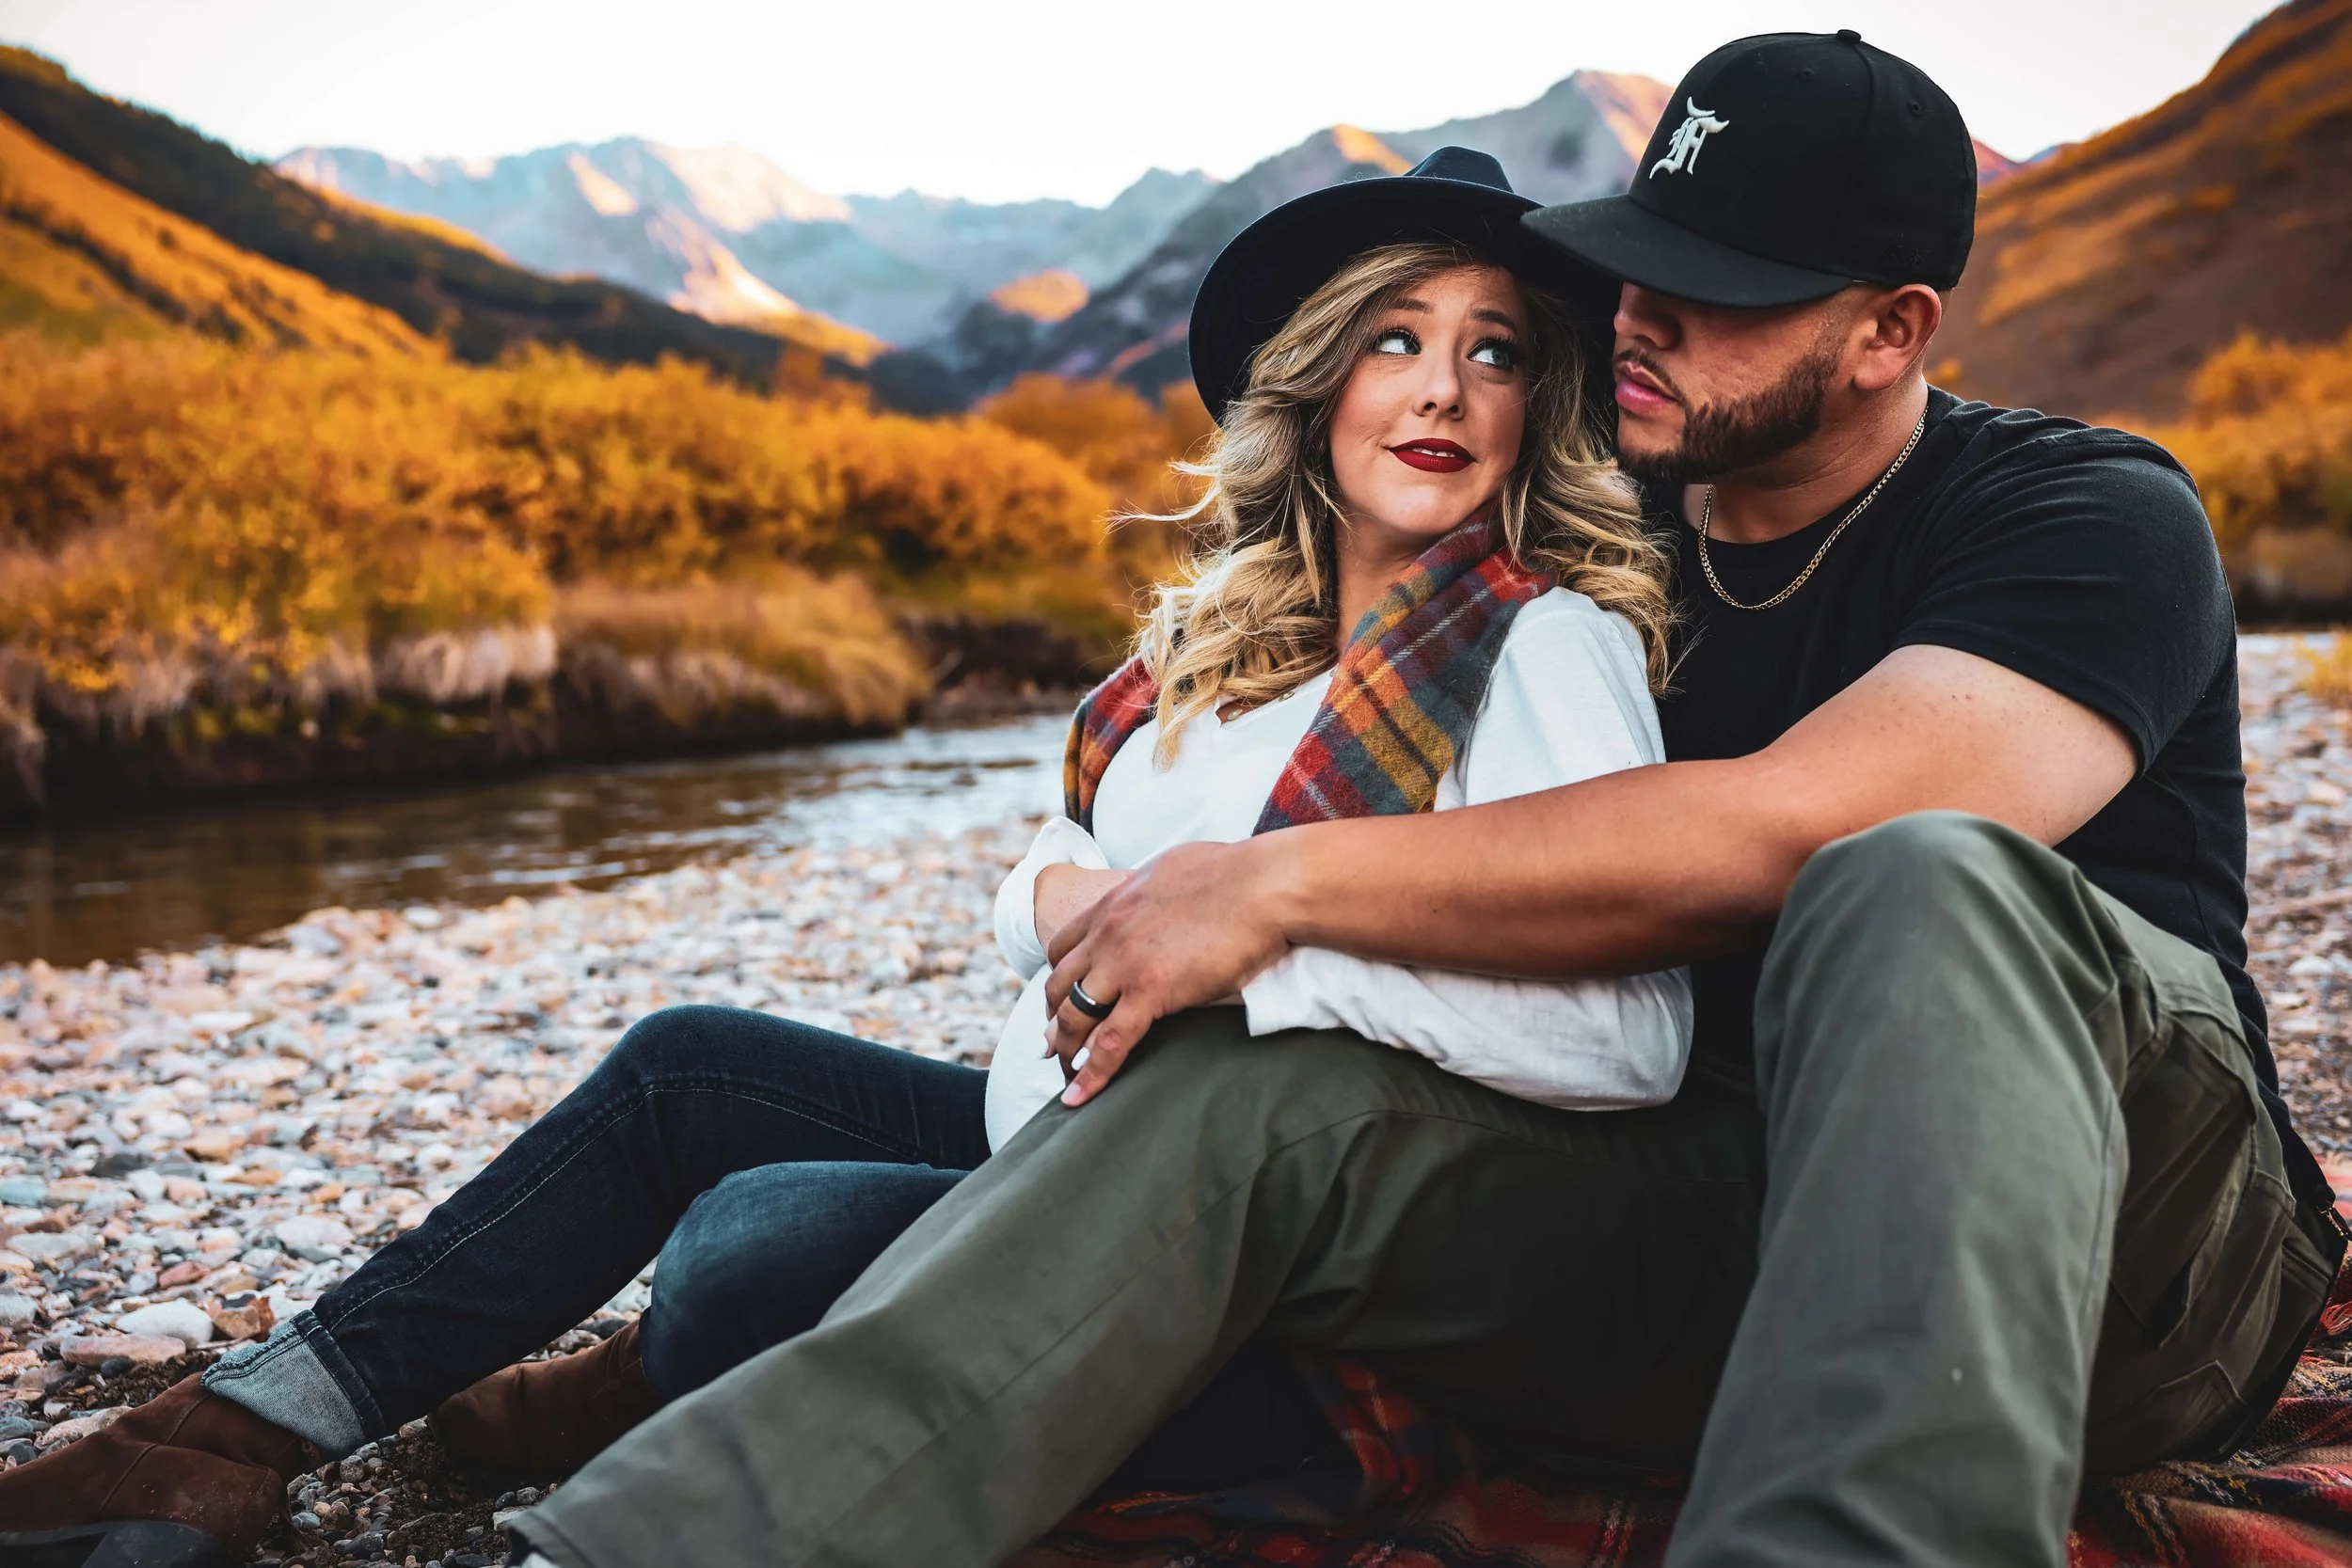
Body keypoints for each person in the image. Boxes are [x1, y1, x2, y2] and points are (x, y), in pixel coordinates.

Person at [469, 32, 2339, 1568]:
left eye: (1719, 296)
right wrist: (1161, 898)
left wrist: (1279, 889)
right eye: (1636, 266)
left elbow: (1798, 827)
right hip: (1714, 1238)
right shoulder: (1603, 566)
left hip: (2120, 1252)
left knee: (1919, 875)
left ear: (1887, 330)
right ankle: (630, 1537)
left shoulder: (2079, 517)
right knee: (1236, 1083)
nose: (1640, 322)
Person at [0, 149, 1694, 1568]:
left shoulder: (1541, 648)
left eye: (1492, 352)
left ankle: (625, 1386)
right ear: (1317, 380)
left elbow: (1629, 1037)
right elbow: (1068, 847)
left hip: (1224, 1231)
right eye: (1397, 337)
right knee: (687, 1068)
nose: (1444, 389)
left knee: (749, 1251)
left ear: (1536, 402)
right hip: (1042, 1120)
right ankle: (226, 1429)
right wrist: (1057, 901)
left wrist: (1262, 938)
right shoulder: (1220, 647)